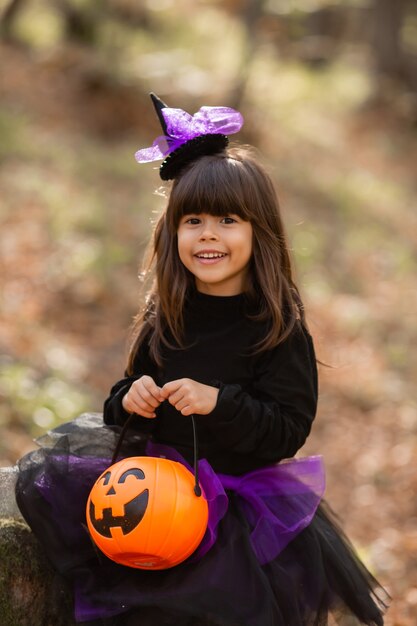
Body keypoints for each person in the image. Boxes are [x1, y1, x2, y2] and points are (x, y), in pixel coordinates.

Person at [16, 94, 388, 626]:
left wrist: (219, 404)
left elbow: (288, 428)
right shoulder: (165, 315)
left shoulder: (277, 326)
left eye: (227, 220)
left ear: (259, 233)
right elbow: (122, 401)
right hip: (155, 498)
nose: (208, 234)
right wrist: (132, 399)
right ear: (174, 233)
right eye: (192, 220)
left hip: (240, 514)